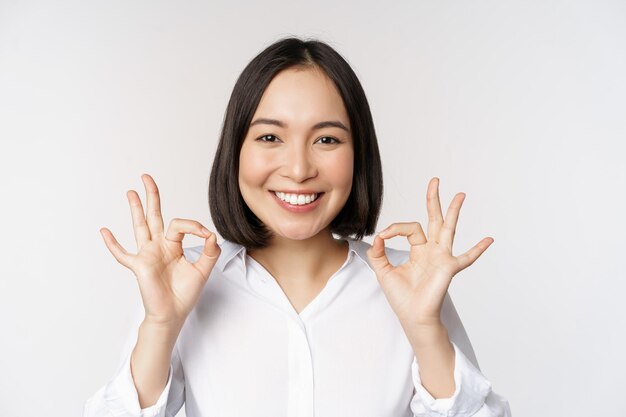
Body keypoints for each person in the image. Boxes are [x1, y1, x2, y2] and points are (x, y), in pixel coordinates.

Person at [83, 37, 511, 417]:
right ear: (235, 151)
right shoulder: (180, 283)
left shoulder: (410, 285)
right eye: (270, 137)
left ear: (358, 154)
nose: (300, 168)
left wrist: (424, 330)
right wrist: (160, 325)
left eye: (327, 139)